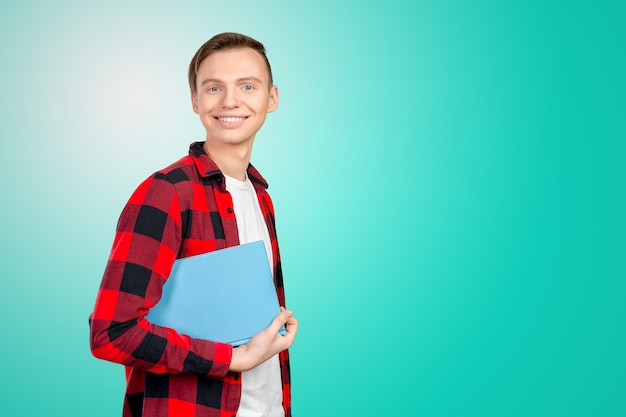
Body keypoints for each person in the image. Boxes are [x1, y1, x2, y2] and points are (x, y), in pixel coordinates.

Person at [89, 32, 298, 417]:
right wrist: (232, 359)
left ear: (272, 98)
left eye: (247, 86)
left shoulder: (261, 195)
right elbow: (112, 333)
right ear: (195, 101)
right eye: (214, 87)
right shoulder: (166, 193)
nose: (230, 101)